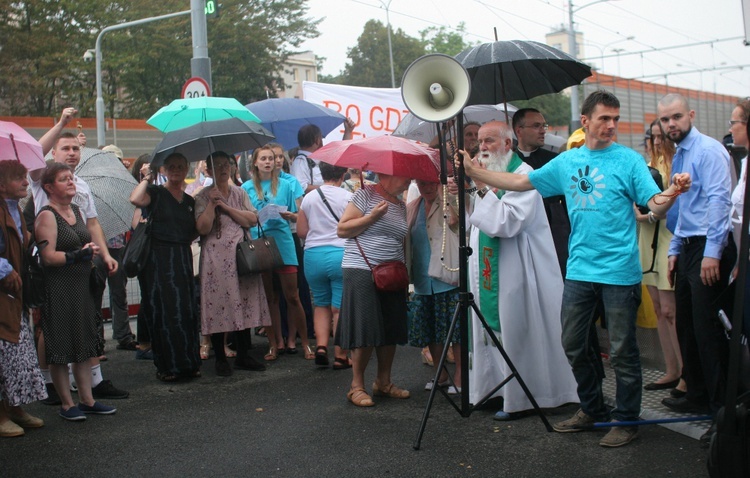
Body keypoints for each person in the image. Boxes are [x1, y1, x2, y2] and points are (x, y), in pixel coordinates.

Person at [457, 90, 690, 447]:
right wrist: (475, 173)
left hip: (619, 272)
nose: (611, 125)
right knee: (574, 344)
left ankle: (626, 420)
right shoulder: (567, 162)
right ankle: (592, 409)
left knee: (624, 352)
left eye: (615, 118)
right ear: (586, 121)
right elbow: (521, 182)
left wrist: (670, 194)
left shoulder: (628, 161)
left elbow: (652, 205)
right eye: (604, 119)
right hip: (580, 271)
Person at [459, 121, 578, 420]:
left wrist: (481, 185)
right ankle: (492, 390)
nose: (482, 147)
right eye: (480, 142)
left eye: (489, 141)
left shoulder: (523, 175)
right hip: (491, 267)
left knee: (516, 329)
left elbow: (507, 223)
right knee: (492, 330)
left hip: (519, 270)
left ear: (508, 144)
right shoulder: (492, 175)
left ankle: (522, 397)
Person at [32, 109, 127, 404]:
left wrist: (106, 255)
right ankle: (49, 383)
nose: (72, 153)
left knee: (86, 320)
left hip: (84, 262)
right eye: (66, 148)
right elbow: (37, 151)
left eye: (76, 148)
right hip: (53, 263)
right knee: (51, 325)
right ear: (54, 152)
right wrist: (61, 124)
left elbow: (93, 223)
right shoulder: (41, 178)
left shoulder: (81, 184)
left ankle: (92, 384)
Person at [658, 94, 736, 438]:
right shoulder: (681, 155)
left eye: (676, 117)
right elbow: (683, 207)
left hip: (707, 246)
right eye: (665, 120)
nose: (671, 124)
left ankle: (722, 415)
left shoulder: (707, 151)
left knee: (708, 333)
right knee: (688, 325)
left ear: (691, 115)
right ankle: (698, 395)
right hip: (689, 247)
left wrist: (712, 253)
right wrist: (675, 248)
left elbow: (719, 201)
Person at [35, 163, 117, 420]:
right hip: (58, 287)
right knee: (60, 346)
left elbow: (86, 236)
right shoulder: (46, 215)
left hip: (81, 285)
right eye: (63, 179)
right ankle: (67, 404)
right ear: (49, 187)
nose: (71, 182)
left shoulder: (77, 210)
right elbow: (48, 257)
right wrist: (77, 254)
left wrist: (95, 251)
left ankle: (87, 400)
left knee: (83, 343)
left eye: (71, 178)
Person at [336, 173, 412, 407]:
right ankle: (356, 386)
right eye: (403, 174)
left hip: (392, 272)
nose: (408, 179)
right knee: (365, 327)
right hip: (362, 268)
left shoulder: (401, 205)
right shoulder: (364, 194)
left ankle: (383, 382)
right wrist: (372, 217)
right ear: (385, 175)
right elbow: (343, 229)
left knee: (390, 326)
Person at [195, 152, 270, 376]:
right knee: (218, 302)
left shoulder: (239, 192)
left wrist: (226, 208)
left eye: (225, 164)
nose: (222, 169)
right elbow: (202, 228)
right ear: (208, 170)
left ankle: (244, 353)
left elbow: (252, 219)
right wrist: (212, 204)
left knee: (244, 298)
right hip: (216, 257)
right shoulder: (202, 196)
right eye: (216, 166)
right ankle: (219, 356)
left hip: (241, 254)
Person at [130, 153, 201, 382]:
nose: (176, 170)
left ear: (187, 168)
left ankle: (188, 363)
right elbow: (135, 199)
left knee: (185, 310)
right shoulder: (156, 193)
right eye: (171, 167)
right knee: (163, 310)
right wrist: (147, 178)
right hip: (158, 259)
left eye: (180, 166)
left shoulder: (190, 201)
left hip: (181, 257)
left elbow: (194, 231)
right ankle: (167, 366)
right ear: (164, 170)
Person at [242, 145, 313, 361]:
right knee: (269, 298)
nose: (267, 162)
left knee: (292, 295)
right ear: (255, 162)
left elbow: (298, 213)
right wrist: (255, 216)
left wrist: (290, 215)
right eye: (263, 158)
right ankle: (274, 344)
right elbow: (245, 217)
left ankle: (306, 344)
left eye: (271, 158)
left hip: (283, 241)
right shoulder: (245, 187)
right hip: (260, 241)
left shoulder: (286, 185)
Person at [633, 119, 684, 395]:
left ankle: (686, 372)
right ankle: (672, 369)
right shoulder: (647, 164)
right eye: (651, 137)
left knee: (670, 309)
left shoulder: (677, 165)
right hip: (646, 237)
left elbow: (673, 204)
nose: (655, 142)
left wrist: (650, 213)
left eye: (659, 137)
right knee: (658, 307)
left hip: (666, 237)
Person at [0, 160, 46, 436]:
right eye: (18, 177)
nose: (26, 182)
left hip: (13, 294)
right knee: (4, 352)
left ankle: (14, 407)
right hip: (3, 290)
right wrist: (4, 269)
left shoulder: (13, 207)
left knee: (16, 353)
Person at [406, 179, 463, 394]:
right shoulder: (413, 207)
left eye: (432, 183)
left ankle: (460, 374)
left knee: (455, 329)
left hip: (447, 276)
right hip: (422, 278)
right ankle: (440, 373)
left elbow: (456, 222)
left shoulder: (450, 200)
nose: (427, 188)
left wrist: (446, 195)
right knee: (429, 329)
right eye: (423, 184)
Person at [296, 161, 352, 368]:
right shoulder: (348, 197)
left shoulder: (310, 197)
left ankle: (320, 347)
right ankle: (340, 355)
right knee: (338, 308)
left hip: (313, 255)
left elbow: (301, 231)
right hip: (340, 253)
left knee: (320, 303)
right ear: (344, 173)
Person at [512, 108, 570, 275]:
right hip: (518, 233)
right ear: (519, 131)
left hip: (552, 232)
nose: (543, 130)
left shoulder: (554, 161)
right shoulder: (508, 161)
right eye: (536, 126)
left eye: (544, 125)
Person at [99, 144, 137, 352]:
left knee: (119, 292)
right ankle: (97, 341)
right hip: (98, 246)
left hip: (118, 244)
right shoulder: (92, 183)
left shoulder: (124, 182)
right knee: (96, 293)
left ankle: (123, 334)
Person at [291, 119, 355, 194]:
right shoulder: (300, 161)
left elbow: (341, 153)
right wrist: (328, 188)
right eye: (321, 138)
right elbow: (301, 187)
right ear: (317, 140)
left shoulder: (318, 157)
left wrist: (348, 131)